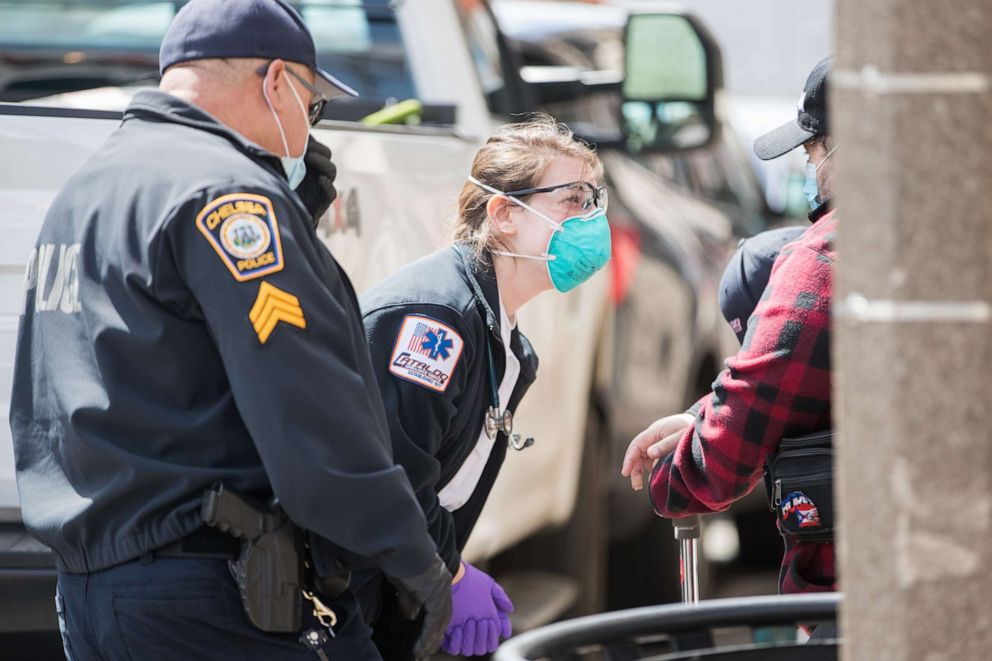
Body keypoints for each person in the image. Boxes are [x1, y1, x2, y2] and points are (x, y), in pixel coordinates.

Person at [9, 1, 452, 658]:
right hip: (217, 595)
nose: (307, 128)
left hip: (91, 591)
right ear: (276, 82)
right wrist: (413, 557)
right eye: (311, 103)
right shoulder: (230, 196)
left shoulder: (86, 190)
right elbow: (310, 408)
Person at [354, 115, 611, 658]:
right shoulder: (434, 320)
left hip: (385, 593)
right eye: (571, 201)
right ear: (504, 215)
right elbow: (391, 476)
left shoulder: (504, 337)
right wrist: (448, 577)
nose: (590, 221)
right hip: (343, 598)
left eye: (594, 203)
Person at [621, 56, 838, 596]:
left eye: (813, 153)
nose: (813, 171)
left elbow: (738, 433)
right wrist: (699, 418)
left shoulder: (827, 257)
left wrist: (674, 473)